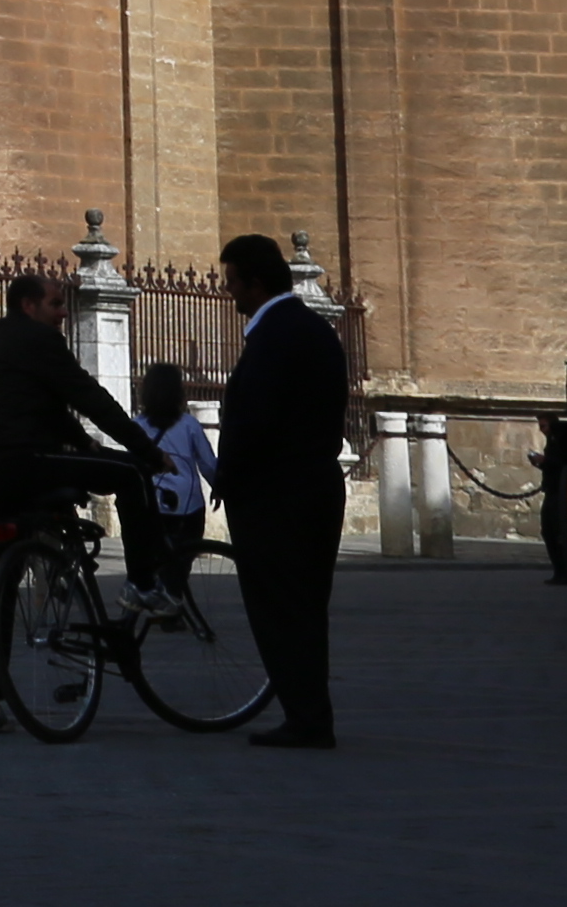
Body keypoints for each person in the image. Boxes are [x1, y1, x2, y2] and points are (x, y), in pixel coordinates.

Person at [0, 268, 160, 730]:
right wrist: (147, 450)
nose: (64, 313)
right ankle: (143, 584)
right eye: (55, 303)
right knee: (132, 474)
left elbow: (48, 405)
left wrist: (84, 443)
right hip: (32, 463)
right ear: (29, 305)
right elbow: (88, 396)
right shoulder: (39, 339)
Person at [217, 231, 347, 749]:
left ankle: (306, 717)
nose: (228, 290)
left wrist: (228, 474)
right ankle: (311, 713)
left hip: (276, 494)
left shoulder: (272, 337)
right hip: (316, 484)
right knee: (306, 607)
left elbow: (256, 420)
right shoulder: (315, 330)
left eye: (232, 281)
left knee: (278, 608)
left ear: (255, 283)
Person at [129, 357, 218, 626]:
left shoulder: (137, 425)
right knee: (182, 560)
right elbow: (208, 463)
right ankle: (172, 606)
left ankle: (158, 602)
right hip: (189, 505)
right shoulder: (189, 425)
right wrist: (219, 487)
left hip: (152, 503)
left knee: (155, 557)